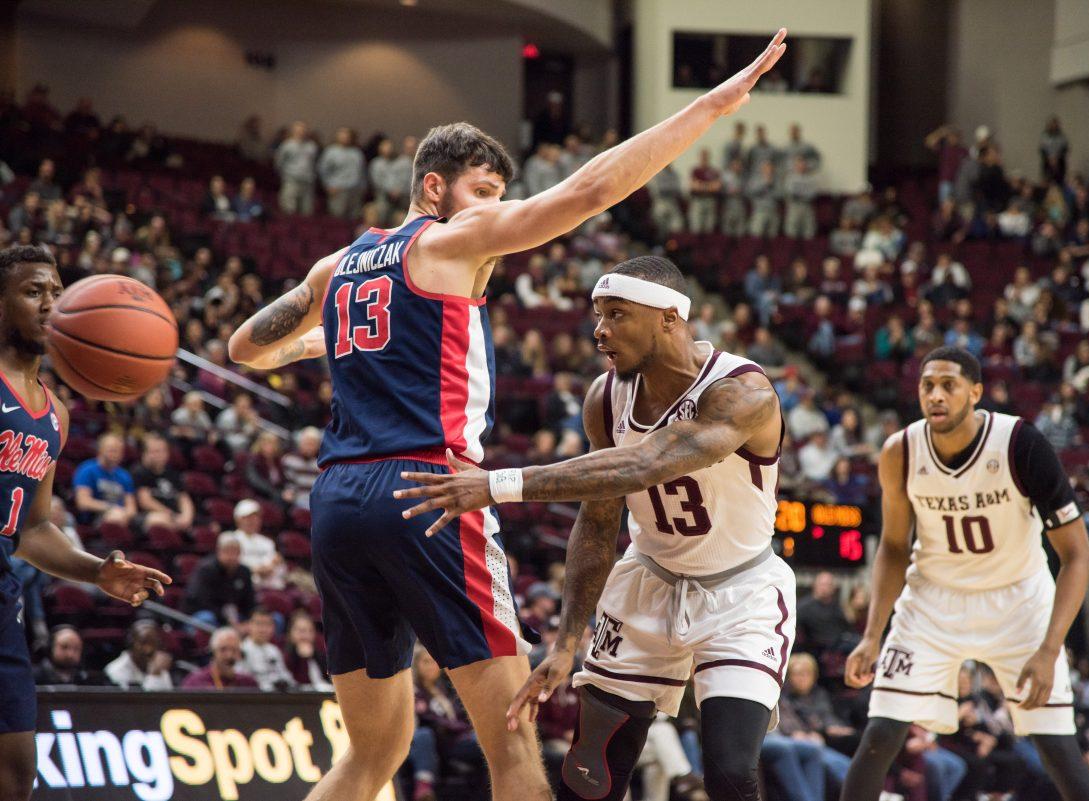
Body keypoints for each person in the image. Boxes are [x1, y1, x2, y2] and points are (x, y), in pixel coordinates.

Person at [228, 30, 791, 801]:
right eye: (483, 191)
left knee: (373, 752)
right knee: (514, 740)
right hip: (427, 490)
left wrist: (334, 344)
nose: (497, 210)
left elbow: (245, 349)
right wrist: (714, 105)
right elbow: (590, 192)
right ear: (433, 189)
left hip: (336, 503)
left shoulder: (338, 265)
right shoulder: (454, 242)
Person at [394, 254, 795, 801]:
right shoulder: (605, 399)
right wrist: (566, 642)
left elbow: (646, 463)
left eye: (616, 314)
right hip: (646, 581)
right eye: (597, 315)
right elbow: (600, 516)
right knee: (590, 773)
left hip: (739, 593)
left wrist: (498, 484)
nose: (599, 331)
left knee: (728, 772)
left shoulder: (741, 392)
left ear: (669, 319)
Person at [839, 346, 1089, 801]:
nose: (935, 395)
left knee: (1056, 747)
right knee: (880, 736)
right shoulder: (899, 452)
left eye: (948, 386)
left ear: (975, 392)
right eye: (927, 386)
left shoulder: (1020, 444)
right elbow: (895, 546)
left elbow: (1077, 555)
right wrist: (872, 634)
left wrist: (1050, 646)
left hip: (1019, 601)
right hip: (933, 602)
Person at [0, 245, 169, 800]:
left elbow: (32, 529)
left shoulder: (55, 413)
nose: (51, 303)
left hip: (4, 593)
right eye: (32, 292)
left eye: (56, 291)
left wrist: (97, 571)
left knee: (16, 770)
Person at [184, 532, 256, 629]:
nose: (231, 556)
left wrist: (250, 620)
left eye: (235, 552)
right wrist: (228, 621)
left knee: (267, 620)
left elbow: (250, 601)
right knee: (206, 618)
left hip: (234, 617)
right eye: (227, 552)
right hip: (204, 614)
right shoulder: (206, 570)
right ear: (219, 551)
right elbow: (203, 602)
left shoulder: (244, 572)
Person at [132, 432, 194, 531]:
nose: (158, 455)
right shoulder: (140, 472)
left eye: (161, 451)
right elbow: (146, 502)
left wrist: (187, 517)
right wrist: (171, 515)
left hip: (175, 516)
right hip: (149, 515)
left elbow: (184, 499)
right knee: (159, 521)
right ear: (145, 454)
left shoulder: (173, 474)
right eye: (154, 451)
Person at [72, 432, 137, 526]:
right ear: (100, 450)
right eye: (112, 450)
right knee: (116, 517)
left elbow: (131, 507)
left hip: (122, 516)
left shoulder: (124, 475)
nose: (115, 454)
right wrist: (111, 508)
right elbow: (83, 502)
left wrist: (126, 514)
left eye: (119, 451)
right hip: (95, 517)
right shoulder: (87, 470)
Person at [105, 619, 174, 689]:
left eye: (153, 642)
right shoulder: (116, 670)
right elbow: (142, 699)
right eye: (143, 643)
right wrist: (154, 674)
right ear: (131, 643)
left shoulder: (158, 666)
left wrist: (157, 672)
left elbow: (168, 698)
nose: (148, 649)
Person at [32, 625, 111, 686]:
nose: (70, 654)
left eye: (76, 648)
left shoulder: (85, 679)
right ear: (50, 647)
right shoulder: (32, 677)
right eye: (64, 647)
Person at [181, 627, 259, 689]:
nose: (229, 655)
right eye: (223, 649)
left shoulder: (248, 683)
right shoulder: (196, 682)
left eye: (234, 650)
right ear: (213, 651)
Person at [241, 607, 296, 690]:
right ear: (250, 625)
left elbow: (285, 676)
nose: (263, 629)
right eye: (259, 624)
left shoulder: (274, 650)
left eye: (267, 624)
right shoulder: (242, 650)